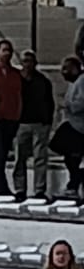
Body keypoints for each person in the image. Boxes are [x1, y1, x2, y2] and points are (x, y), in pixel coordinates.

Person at [14, 50, 55, 201]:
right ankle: (20, 189)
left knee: (40, 158)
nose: (28, 65)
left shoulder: (43, 81)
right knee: (20, 158)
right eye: (25, 61)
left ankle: (39, 189)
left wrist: (48, 121)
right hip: (21, 123)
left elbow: (49, 102)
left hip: (39, 123)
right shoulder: (16, 81)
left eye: (30, 61)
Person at [0, 39, 22, 197]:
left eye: (9, 50)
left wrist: (17, 116)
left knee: (3, 153)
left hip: (10, 118)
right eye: (4, 50)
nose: (7, 53)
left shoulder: (15, 74)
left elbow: (19, 96)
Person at [53, 57, 84, 199]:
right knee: (69, 155)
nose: (63, 72)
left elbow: (81, 103)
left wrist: (67, 105)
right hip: (73, 123)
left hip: (79, 126)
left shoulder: (82, 81)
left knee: (72, 154)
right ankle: (74, 181)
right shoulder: (73, 83)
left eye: (66, 68)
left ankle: (75, 182)